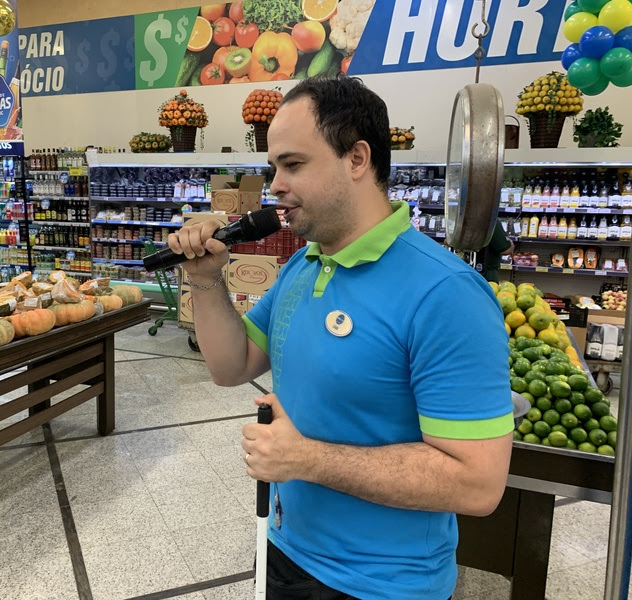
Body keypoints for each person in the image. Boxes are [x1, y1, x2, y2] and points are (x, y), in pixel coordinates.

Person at [167, 77, 513, 600]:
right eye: (273, 168)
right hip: (285, 546)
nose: (276, 185)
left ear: (356, 159)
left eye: (293, 164)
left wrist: (306, 459)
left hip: (384, 585)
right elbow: (231, 365)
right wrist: (205, 278)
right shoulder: (303, 268)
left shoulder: (447, 294)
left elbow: (479, 483)